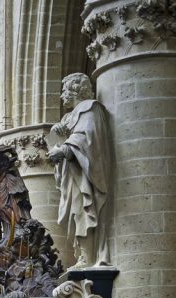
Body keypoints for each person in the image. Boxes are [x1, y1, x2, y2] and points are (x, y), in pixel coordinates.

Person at [48, 72, 111, 267]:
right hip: (73, 174)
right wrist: (58, 136)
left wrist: (65, 148)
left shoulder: (90, 108)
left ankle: (87, 257)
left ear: (76, 89)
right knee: (77, 214)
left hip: (85, 175)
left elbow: (88, 137)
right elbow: (59, 144)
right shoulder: (70, 116)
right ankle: (83, 255)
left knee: (83, 211)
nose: (61, 96)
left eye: (64, 90)